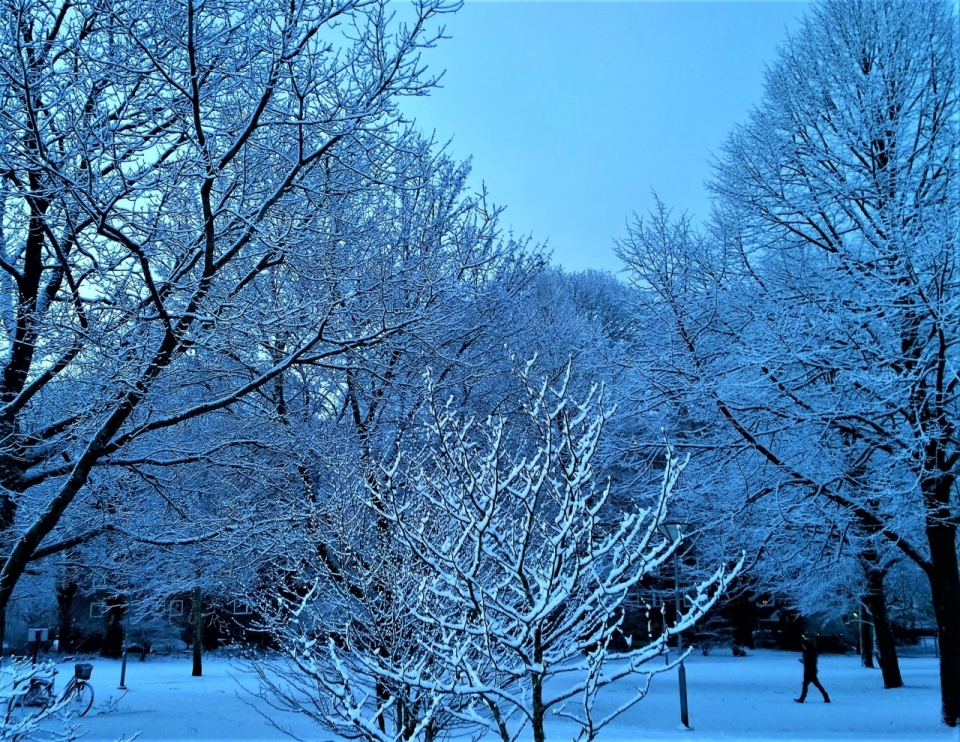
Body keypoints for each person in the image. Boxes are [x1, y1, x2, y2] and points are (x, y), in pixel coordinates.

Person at [795, 636, 830, 703]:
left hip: (810, 670)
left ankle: (802, 698)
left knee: (807, 684)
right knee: (815, 684)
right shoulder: (808, 651)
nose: (802, 647)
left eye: (803, 645)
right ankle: (826, 697)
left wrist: (804, 662)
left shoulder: (809, 652)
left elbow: (811, 662)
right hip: (810, 670)